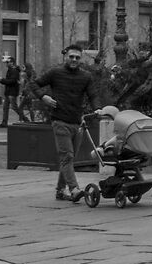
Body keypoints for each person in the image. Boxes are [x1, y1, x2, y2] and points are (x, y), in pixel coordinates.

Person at [25, 43, 106, 203]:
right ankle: (74, 189)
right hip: (60, 121)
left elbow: (93, 95)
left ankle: (60, 191)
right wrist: (43, 97)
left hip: (78, 123)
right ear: (65, 57)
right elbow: (33, 84)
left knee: (68, 159)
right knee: (67, 157)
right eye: (71, 57)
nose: (74, 60)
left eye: (77, 57)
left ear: (80, 58)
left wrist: (97, 109)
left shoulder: (85, 76)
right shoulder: (55, 72)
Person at [0, 56, 25, 127]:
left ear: (12, 63)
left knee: (14, 107)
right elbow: (10, 81)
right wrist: (2, 81)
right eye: (6, 62)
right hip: (8, 92)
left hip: (12, 92)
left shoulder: (14, 71)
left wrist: (2, 80)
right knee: (5, 107)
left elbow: (12, 81)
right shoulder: (10, 70)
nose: (6, 64)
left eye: (8, 62)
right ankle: (4, 122)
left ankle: (25, 119)